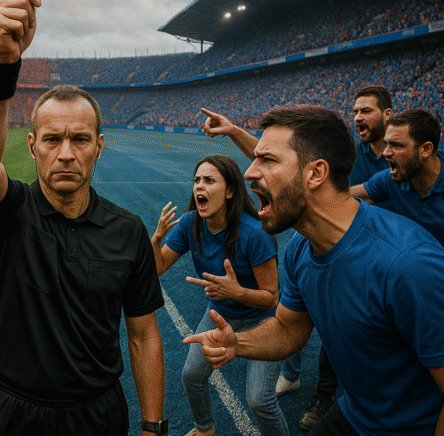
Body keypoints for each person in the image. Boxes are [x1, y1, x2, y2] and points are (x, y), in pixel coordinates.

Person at [0, 0, 167, 436]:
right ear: (33, 148)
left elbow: (143, 333)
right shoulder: (7, 211)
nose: (66, 153)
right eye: (53, 140)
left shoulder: (128, 230)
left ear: (99, 147)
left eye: (80, 139)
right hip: (8, 412)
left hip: (96, 414)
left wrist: (153, 425)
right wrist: (3, 63)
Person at [185, 105, 444, 435]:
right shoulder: (299, 247)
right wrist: (236, 343)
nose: (249, 172)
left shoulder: (410, 265)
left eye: (267, 160)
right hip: (356, 414)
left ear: (316, 173)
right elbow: (290, 329)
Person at [150, 155, 286, 436]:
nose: (199, 186)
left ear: (230, 191)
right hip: (222, 314)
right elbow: (158, 268)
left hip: (263, 321)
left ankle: (291, 366)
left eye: (209, 180)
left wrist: (235, 291)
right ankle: (205, 430)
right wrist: (156, 239)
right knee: (191, 375)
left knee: (259, 400)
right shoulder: (190, 224)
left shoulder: (254, 233)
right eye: (197, 180)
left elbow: (272, 298)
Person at [350, 108, 444, 245]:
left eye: (396, 145)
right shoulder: (388, 180)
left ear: (426, 149)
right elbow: (345, 197)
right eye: (386, 144)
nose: (386, 153)